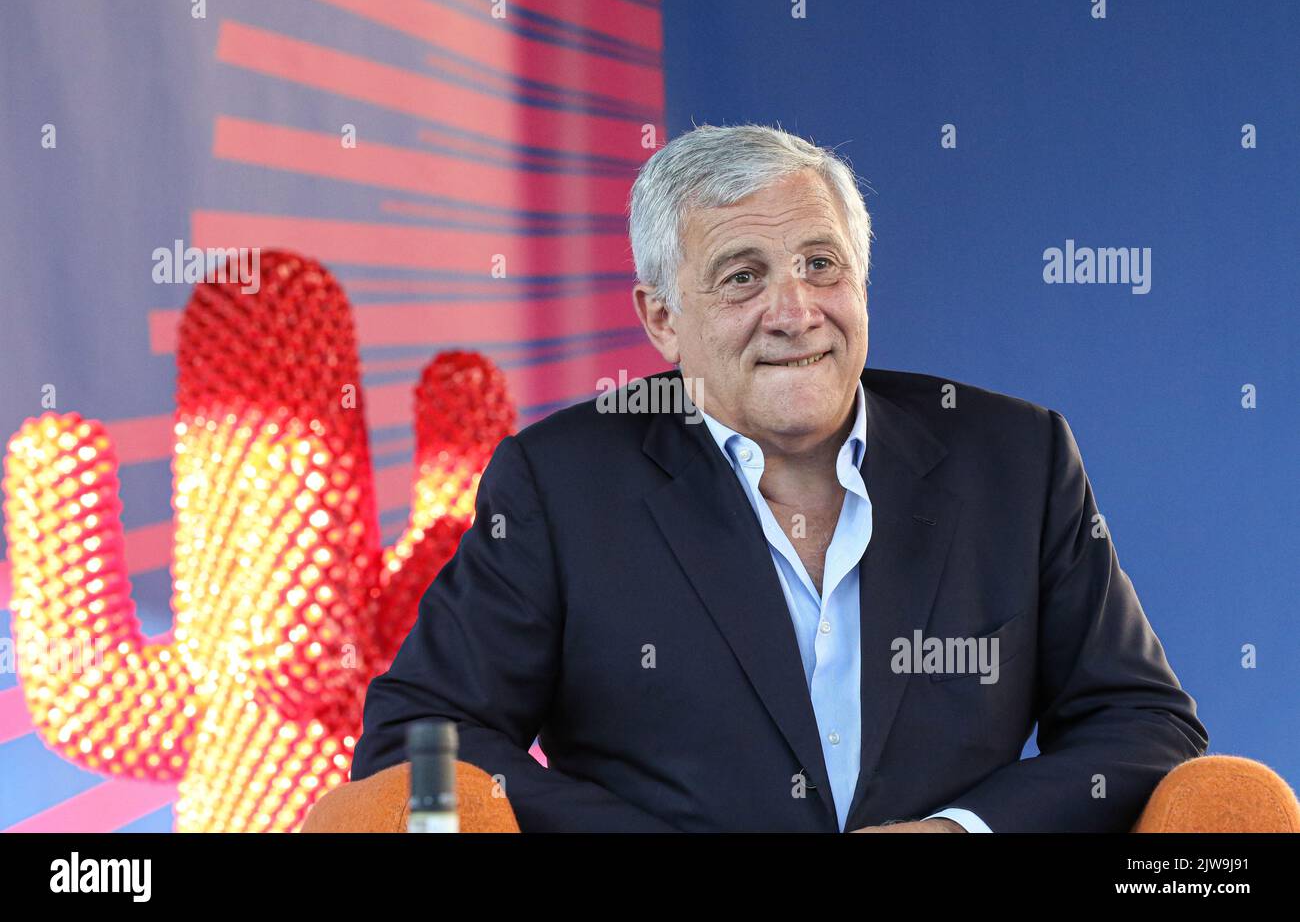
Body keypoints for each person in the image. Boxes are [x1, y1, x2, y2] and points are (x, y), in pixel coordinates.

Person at [350, 124, 1208, 832]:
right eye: (742, 276)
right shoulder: (561, 483)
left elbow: (1143, 725)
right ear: (661, 319)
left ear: (862, 281)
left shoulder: (1017, 458)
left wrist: (961, 834)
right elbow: (419, 740)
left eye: (821, 265)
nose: (795, 311)